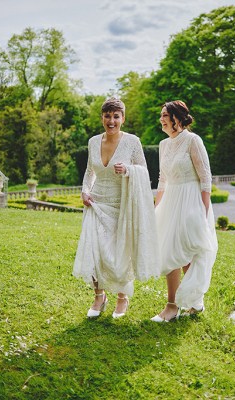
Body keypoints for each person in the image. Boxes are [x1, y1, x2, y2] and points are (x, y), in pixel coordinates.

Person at [73, 98, 159, 319]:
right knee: (95, 249)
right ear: (102, 117)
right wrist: (85, 190)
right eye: (107, 116)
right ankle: (99, 296)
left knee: (119, 252)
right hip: (96, 202)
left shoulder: (132, 141)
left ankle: (122, 297)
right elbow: (89, 171)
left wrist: (129, 169)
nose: (111, 121)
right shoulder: (93, 141)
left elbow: (144, 169)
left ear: (123, 118)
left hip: (121, 204)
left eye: (116, 116)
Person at [151, 100, 218, 322]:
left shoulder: (193, 141)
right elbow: (163, 179)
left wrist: (203, 209)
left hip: (191, 201)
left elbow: (205, 177)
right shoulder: (163, 145)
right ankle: (172, 306)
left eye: (164, 115)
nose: (161, 119)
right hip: (171, 201)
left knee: (188, 254)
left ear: (176, 118)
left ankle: (194, 300)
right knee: (170, 251)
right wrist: (155, 206)